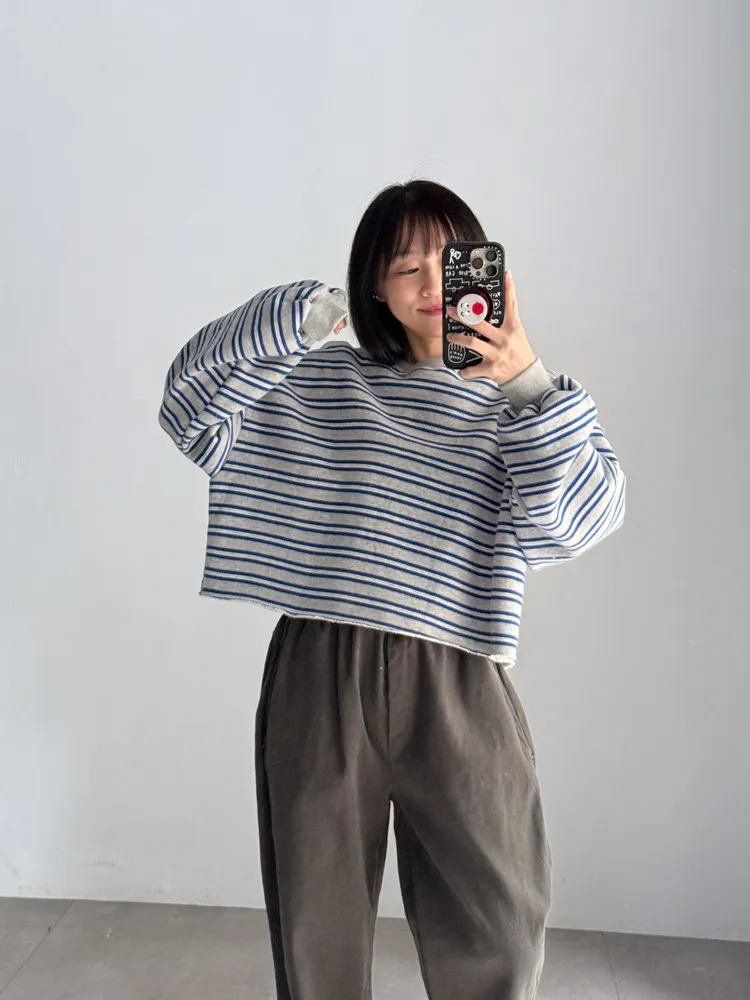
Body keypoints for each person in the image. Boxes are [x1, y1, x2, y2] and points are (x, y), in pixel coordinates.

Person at [159, 179, 625, 1000]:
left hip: (459, 678)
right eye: (405, 265)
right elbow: (188, 407)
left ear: (486, 269)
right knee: (317, 914)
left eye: (450, 260)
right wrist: (304, 317)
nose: (430, 281)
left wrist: (525, 380)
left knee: (499, 920)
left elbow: (583, 520)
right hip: (320, 666)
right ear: (374, 283)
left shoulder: (518, 407)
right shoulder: (321, 382)